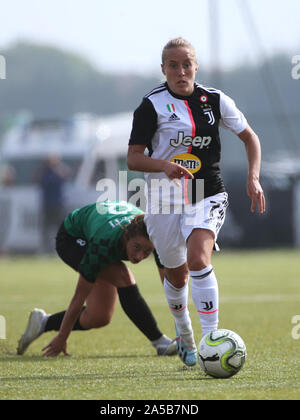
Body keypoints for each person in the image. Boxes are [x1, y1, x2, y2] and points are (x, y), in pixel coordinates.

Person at [127, 37, 266, 367]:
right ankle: (184, 331)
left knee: (198, 258)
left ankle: (211, 342)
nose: (181, 71)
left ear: (196, 66)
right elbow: (133, 159)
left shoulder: (215, 100)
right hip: (163, 199)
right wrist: (163, 165)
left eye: (186, 64)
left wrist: (253, 176)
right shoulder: (151, 105)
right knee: (176, 278)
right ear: (163, 70)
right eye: (173, 65)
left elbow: (250, 137)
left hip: (207, 192)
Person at [17, 200, 176, 357]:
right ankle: (159, 342)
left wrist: (181, 321)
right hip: (72, 238)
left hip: (101, 229)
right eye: (136, 247)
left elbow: (168, 281)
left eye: (147, 251)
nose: (140, 256)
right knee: (123, 276)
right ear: (126, 235)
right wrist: (62, 337)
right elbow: (79, 296)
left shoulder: (156, 237)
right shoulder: (102, 244)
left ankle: (43, 322)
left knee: (99, 316)